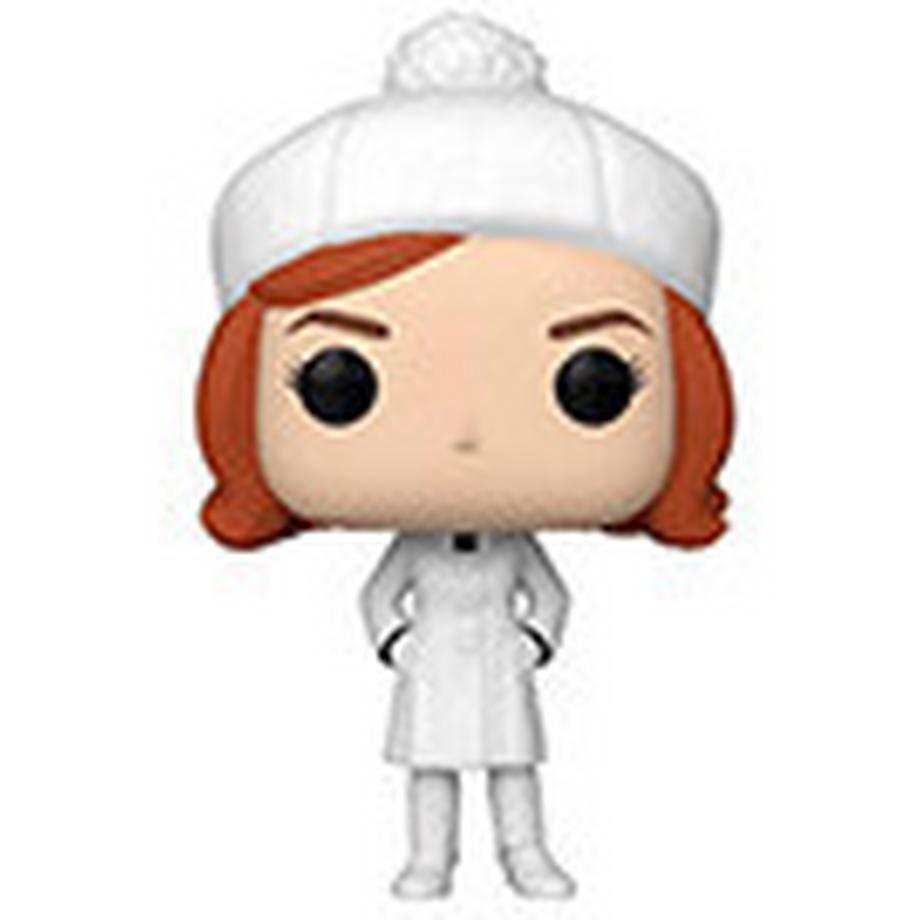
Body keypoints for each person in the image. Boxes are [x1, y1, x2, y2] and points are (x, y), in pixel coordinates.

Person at [196, 14, 734, 900]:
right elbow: (378, 597)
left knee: (515, 771)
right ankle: (429, 860)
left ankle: (526, 854)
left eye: (591, 382)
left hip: (501, 672)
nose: (467, 435)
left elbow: (550, 595)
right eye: (342, 382)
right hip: (432, 673)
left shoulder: (516, 550)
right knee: (429, 774)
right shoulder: (413, 550)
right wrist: (398, 643)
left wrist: (534, 640)